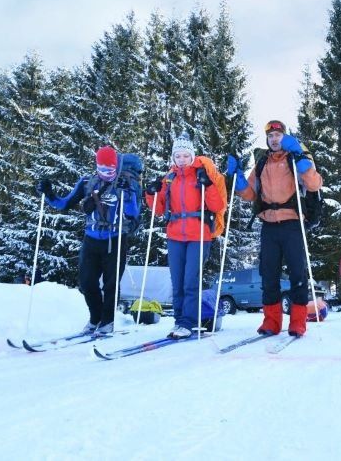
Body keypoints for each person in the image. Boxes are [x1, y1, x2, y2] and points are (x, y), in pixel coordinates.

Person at [225, 120, 323, 337]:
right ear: (267, 140)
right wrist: (238, 178)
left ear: (285, 137)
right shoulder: (261, 163)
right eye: (271, 136)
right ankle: (271, 322)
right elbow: (250, 194)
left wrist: (301, 158)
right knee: (268, 275)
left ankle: (298, 322)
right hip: (269, 225)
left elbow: (315, 185)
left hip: (292, 224)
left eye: (278, 135)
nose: (274, 139)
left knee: (297, 274)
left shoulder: (295, 158)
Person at [36, 145, 142, 335]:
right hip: (91, 239)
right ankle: (95, 318)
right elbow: (64, 204)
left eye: (110, 170)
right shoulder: (87, 182)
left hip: (116, 239)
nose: (106, 174)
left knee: (111, 284)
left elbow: (133, 214)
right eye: (101, 170)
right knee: (87, 282)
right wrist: (49, 194)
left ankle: (107, 322)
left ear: (116, 167)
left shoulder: (126, 183)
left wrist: (128, 196)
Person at [146, 133, 227, 339]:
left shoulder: (201, 175)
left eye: (185, 156)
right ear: (173, 158)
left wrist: (207, 185)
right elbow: (158, 209)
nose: (181, 160)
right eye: (178, 156)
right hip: (175, 234)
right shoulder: (170, 178)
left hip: (199, 235)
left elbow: (218, 206)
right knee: (178, 280)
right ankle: (179, 320)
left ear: (192, 156)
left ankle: (187, 322)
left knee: (191, 280)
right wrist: (150, 192)